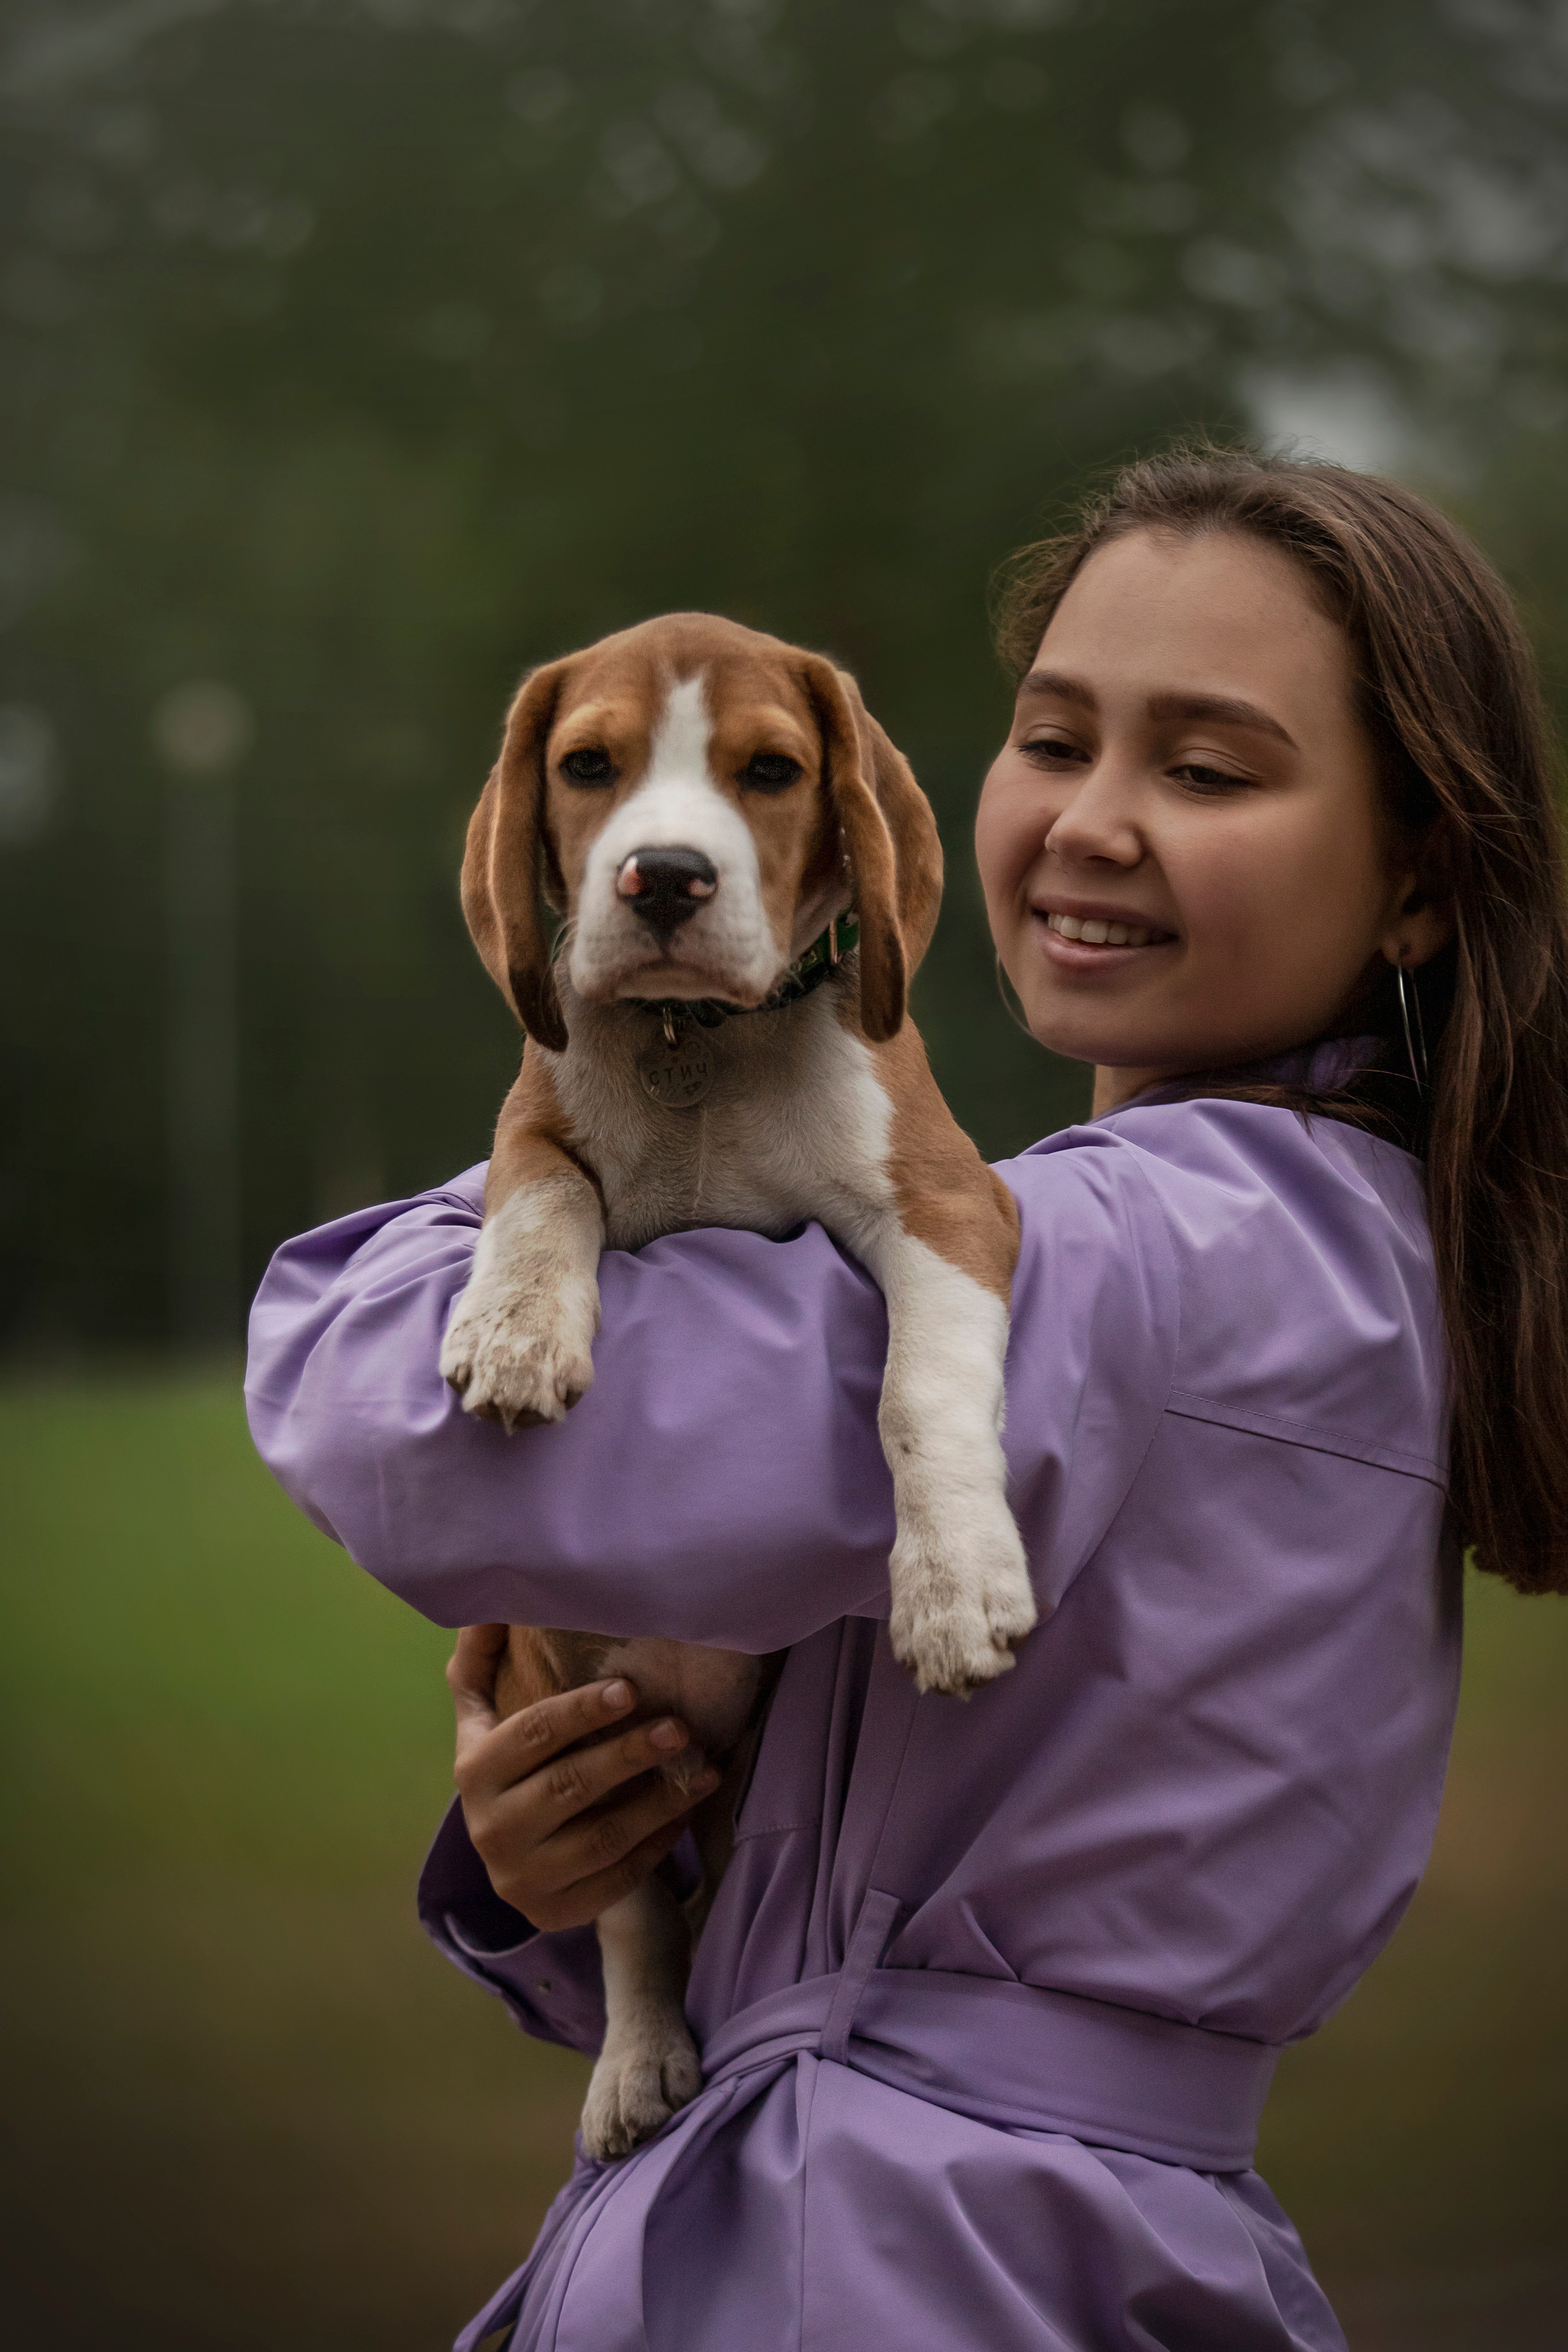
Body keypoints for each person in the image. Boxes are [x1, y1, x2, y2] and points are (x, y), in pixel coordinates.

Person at [246, 447, 1568, 2352]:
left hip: (893, 2254)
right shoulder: (1323, 1236)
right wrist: (580, 1867)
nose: (1095, 822)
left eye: (1207, 771)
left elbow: (405, 1432)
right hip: (1010, 2223)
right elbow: (862, 1838)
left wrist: (602, 1081)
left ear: (1423, 878)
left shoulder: (1159, 1253)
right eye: (1055, 740)